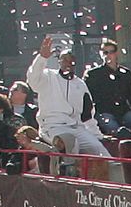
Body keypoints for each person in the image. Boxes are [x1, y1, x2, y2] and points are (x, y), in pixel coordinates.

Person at [28, 35, 112, 173]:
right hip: (53, 127)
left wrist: (97, 135)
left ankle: (115, 182)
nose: (68, 63)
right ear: (59, 61)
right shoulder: (48, 77)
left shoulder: (80, 84)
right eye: (65, 60)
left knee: (99, 150)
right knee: (72, 144)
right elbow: (33, 80)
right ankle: (71, 178)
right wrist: (42, 58)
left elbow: (87, 115)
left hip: (76, 127)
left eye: (72, 61)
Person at [87, 38, 131, 135]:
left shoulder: (125, 73)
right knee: (113, 128)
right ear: (101, 54)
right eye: (105, 52)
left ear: (116, 53)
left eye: (111, 52)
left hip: (124, 112)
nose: (108, 55)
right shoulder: (93, 74)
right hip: (104, 112)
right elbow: (88, 98)